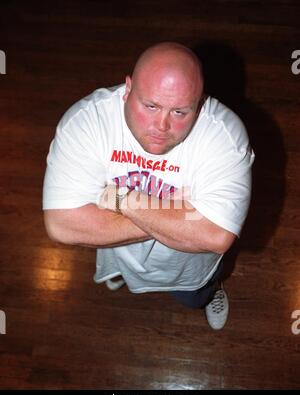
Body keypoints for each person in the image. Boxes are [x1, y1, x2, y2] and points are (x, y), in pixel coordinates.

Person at [43, 42, 254, 330]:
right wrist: (181, 213)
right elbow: (61, 225)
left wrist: (121, 201)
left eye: (180, 112)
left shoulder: (225, 136)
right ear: (128, 89)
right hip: (117, 251)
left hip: (187, 268)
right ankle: (122, 275)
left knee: (194, 297)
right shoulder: (87, 122)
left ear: (199, 102)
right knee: (118, 276)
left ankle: (211, 293)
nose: (161, 125)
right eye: (151, 106)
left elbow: (216, 236)